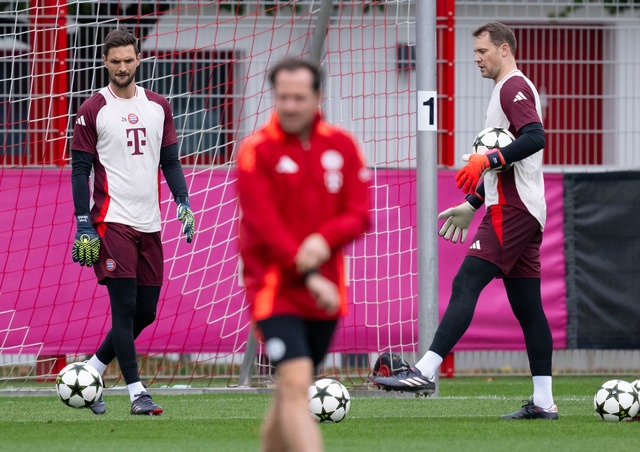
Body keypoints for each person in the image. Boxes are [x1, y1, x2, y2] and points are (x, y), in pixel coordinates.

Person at [374, 22, 557, 420]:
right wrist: (472, 203)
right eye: (475, 52)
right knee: (528, 309)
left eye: (482, 51)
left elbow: (535, 136)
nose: (476, 58)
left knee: (466, 281)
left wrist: (488, 159)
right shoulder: (505, 89)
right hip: (518, 207)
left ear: (504, 49)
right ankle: (544, 402)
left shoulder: (513, 86)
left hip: (513, 210)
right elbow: (510, 157)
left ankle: (423, 371)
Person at [237, 58, 370, 451]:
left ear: (317, 97)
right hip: (274, 288)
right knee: (296, 383)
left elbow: (360, 214)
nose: (290, 105)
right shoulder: (256, 150)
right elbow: (265, 229)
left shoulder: (342, 145)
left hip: (326, 295)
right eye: (283, 97)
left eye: (298, 97)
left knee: (289, 391)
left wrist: (324, 240)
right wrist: (310, 274)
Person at [70, 28, 195, 416]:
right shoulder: (93, 109)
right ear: (105, 63)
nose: (122, 67)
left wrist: (183, 201)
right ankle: (138, 393)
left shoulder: (158, 105)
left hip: (150, 223)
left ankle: (90, 372)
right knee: (123, 309)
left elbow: (170, 161)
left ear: (138, 60)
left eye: (128, 60)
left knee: (146, 312)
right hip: (112, 222)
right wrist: (83, 223)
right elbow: (79, 171)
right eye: (115, 61)